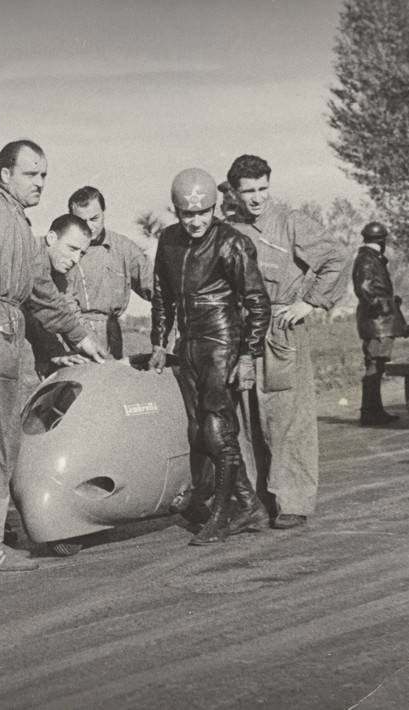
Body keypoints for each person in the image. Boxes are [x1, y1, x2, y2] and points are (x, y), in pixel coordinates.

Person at [0, 139, 107, 572]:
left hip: (6, 331)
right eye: (31, 174)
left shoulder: (18, 224)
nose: (40, 183)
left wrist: (81, 336)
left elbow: (43, 292)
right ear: (5, 175)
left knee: (0, 440)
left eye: (44, 174)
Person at [226, 155, 349, 530]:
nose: (257, 197)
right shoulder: (229, 229)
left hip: (281, 333)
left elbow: (336, 257)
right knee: (245, 419)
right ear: (235, 192)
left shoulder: (291, 222)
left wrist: (309, 302)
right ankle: (256, 503)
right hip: (242, 333)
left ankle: (293, 502)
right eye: (248, 191)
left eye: (263, 188)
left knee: (287, 420)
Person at [149, 169, 271, 544]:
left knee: (218, 431)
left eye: (204, 213)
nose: (196, 221)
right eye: (188, 214)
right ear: (176, 211)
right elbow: (161, 295)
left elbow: (257, 302)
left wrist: (248, 355)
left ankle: (222, 514)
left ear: (215, 208)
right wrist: (158, 343)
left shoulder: (231, 242)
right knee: (198, 432)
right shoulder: (168, 240)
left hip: (222, 341)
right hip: (188, 345)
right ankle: (249, 506)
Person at [67, 186, 153, 358]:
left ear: (104, 212)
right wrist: (82, 336)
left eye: (94, 218)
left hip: (111, 335)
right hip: (73, 336)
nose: (89, 226)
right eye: (81, 220)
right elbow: (62, 301)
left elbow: (156, 289)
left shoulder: (123, 247)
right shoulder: (64, 249)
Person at [353, 221, 409, 426]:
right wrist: (384, 306)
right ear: (381, 241)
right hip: (378, 322)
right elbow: (365, 289)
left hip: (377, 321)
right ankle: (370, 413)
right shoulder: (368, 259)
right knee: (375, 366)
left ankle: (374, 411)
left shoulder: (369, 258)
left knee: (376, 365)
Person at [25, 214, 94, 378]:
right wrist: (54, 350)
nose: (76, 259)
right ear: (51, 238)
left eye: (82, 253)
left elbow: (68, 310)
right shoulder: (30, 254)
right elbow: (40, 308)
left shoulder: (59, 271)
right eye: (72, 249)